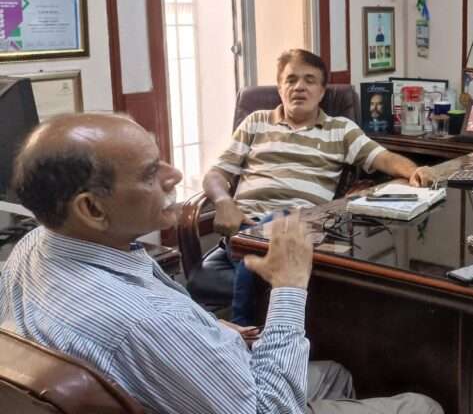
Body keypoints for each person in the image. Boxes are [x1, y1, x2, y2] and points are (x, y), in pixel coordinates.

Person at [0, 113, 442, 414]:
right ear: (92, 209)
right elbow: (269, 408)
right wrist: (289, 287)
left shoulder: (33, 245)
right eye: (150, 173)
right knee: (423, 406)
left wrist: (206, 327)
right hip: (256, 403)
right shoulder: (146, 322)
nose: (174, 175)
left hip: (189, 382)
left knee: (336, 373)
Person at [205, 49, 431, 324]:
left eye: (309, 80)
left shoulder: (341, 129)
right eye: (291, 80)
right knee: (259, 238)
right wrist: (223, 202)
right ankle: (244, 332)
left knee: (275, 227)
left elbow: (382, 158)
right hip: (244, 225)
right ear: (280, 88)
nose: (299, 87)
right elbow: (216, 174)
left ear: (322, 92)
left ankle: (241, 330)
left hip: (299, 226)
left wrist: (414, 171)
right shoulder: (255, 122)